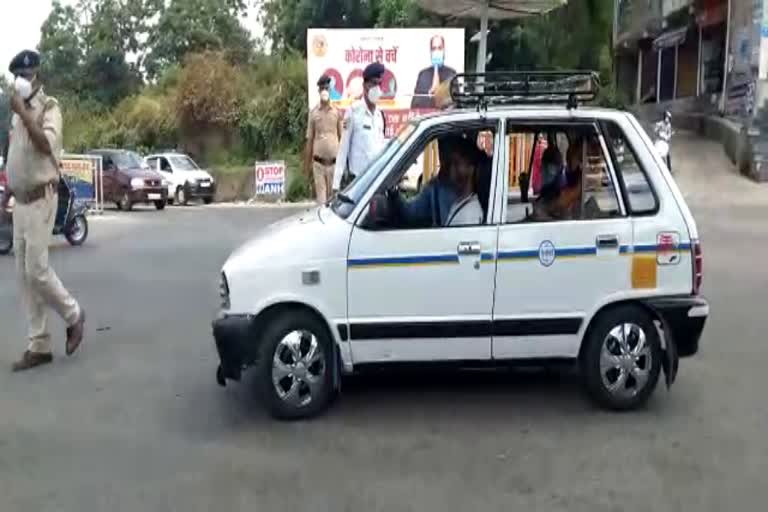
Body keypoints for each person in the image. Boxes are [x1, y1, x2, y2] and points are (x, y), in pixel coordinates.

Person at [1, 50, 85, 371]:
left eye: (27, 75)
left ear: (36, 76)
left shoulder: (50, 109)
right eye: (17, 76)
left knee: (37, 269)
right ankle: (39, 345)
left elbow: (45, 146)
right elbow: (17, 154)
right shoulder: (15, 113)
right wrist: (6, 193)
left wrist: (24, 113)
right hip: (20, 200)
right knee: (24, 276)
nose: (21, 81)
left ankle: (74, 315)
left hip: (41, 198)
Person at [393, 134, 484, 228]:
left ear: (470, 168)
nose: (452, 168)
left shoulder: (470, 208)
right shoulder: (435, 187)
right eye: (441, 149)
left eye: (456, 163)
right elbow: (412, 213)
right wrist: (394, 194)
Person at [333, 62, 387, 193]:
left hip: (376, 183)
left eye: (379, 84)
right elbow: (343, 149)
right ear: (365, 86)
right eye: (373, 83)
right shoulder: (353, 112)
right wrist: (336, 185)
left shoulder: (380, 116)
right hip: (357, 183)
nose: (376, 88)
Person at [305, 75, 342, 203]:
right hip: (318, 165)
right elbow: (309, 139)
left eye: (326, 88)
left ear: (330, 90)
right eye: (322, 88)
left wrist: (344, 164)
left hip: (334, 164)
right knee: (321, 203)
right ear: (319, 91)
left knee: (333, 202)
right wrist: (307, 165)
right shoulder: (313, 113)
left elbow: (342, 138)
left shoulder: (337, 112)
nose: (324, 91)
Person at [411, 35, 457, 109]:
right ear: (430, 51)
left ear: (444, 50)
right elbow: (415, 104)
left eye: (440, 48)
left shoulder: (451, 74)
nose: (437, 51)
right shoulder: (423, 75)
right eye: (434, 48)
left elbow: (455, 103)